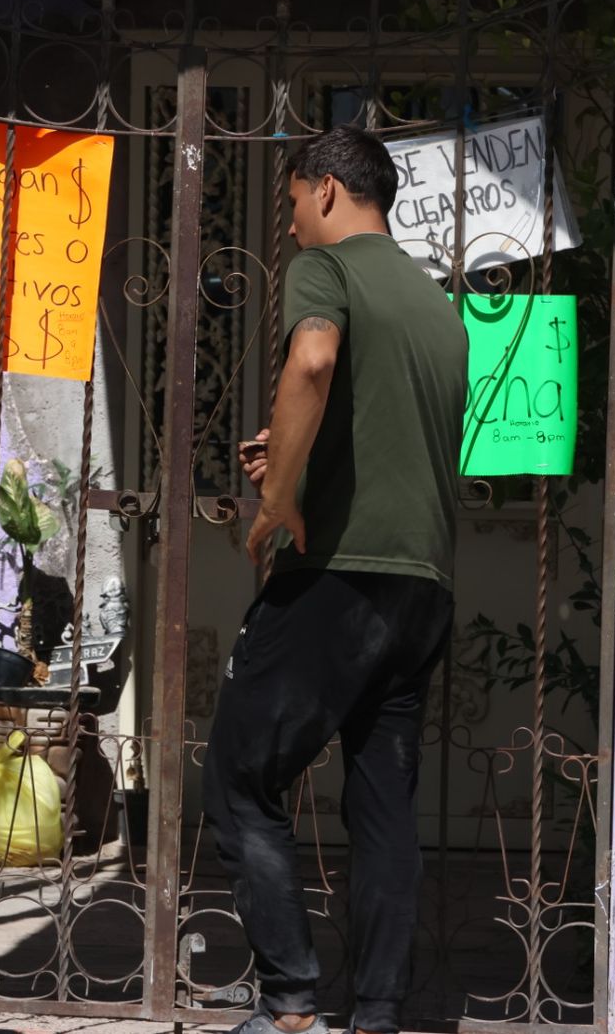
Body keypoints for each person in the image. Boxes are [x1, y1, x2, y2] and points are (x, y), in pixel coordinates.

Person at [204, 125, 468, 1034]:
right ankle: (378, 1014)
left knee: (240, 780)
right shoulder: (436, 305)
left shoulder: (328, 267)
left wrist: (277, 501)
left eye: (290, 204)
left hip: (338, 575)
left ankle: (290, 1007)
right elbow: (380, 430)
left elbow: (312, 360)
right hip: (421, 588)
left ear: (324, 189)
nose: (288, 227)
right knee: (383, 806)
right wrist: (290, 459)